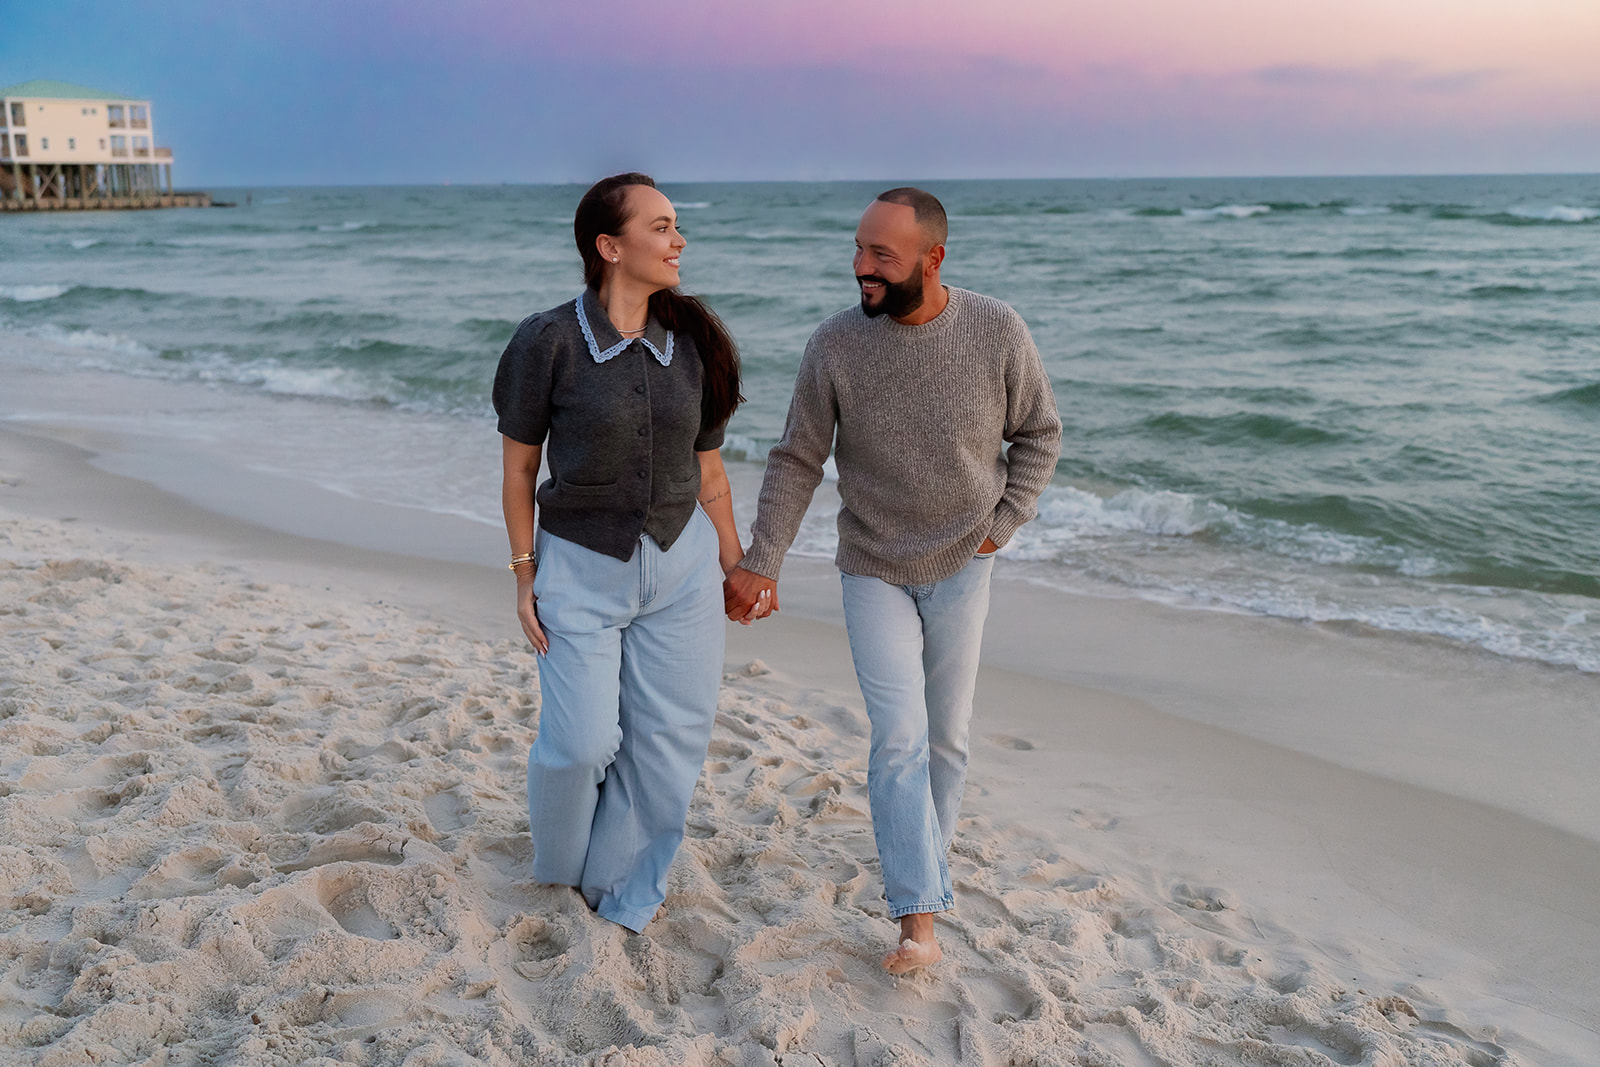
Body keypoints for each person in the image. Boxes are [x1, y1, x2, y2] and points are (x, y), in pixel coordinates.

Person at [725, 187, 1062, 973]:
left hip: (962, 562)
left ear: (932, 259)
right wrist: (762, 560)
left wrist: (999, 527)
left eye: (881, 255)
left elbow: (1040, 436)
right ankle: (918, 917)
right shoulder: (835, 344)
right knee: (900, 736)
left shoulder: (996, 329)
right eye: (858, 250)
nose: (861, 268)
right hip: (872, 562)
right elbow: (798, 456)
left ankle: (924, 872)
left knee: (947, 737)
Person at [493, 172, 759, 932]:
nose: (680, 240)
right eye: (662, 227)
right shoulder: (547, 341)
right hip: (578, 563)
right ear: (611, 247)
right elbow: (518, 468)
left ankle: (617, 888)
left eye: (677, 226)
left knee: (666, 743)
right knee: (580, 744)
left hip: (681, 567)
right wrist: (524, 576)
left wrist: (736, 562)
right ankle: (560, 868)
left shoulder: (696, 344)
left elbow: (710, 473)